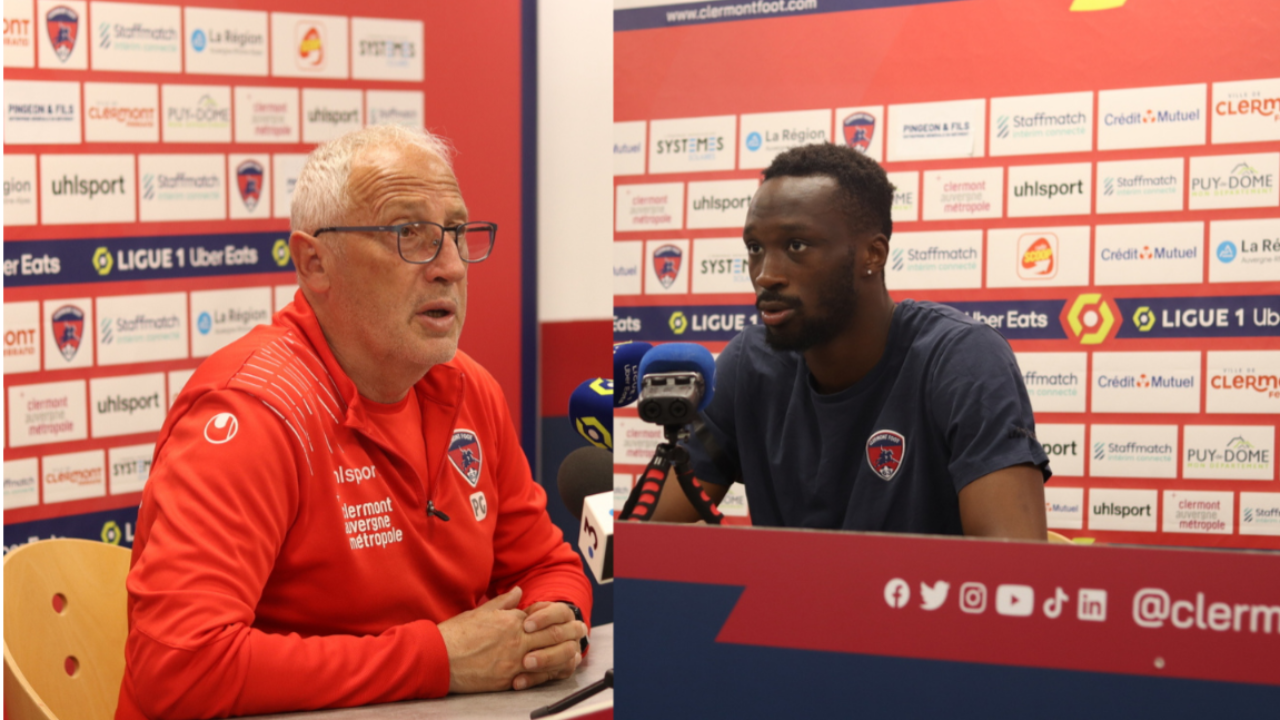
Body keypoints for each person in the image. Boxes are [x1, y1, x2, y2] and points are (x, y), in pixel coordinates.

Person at [117, 126, 591, 719]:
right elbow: (179, 669)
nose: (450, 266)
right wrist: (435, 659)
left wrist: (555, 623)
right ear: (315, 261)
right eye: (408, 235)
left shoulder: (472, 390)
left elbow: (545, 566)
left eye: (456, 233)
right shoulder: (249, 413)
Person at [653, 143, 1050, 538]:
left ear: (872, 255)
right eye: (755, 248)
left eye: (796, 246)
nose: (766, 274)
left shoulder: (962, 359)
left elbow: (1013, 572)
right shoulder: (748, 363)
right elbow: (648, 538)